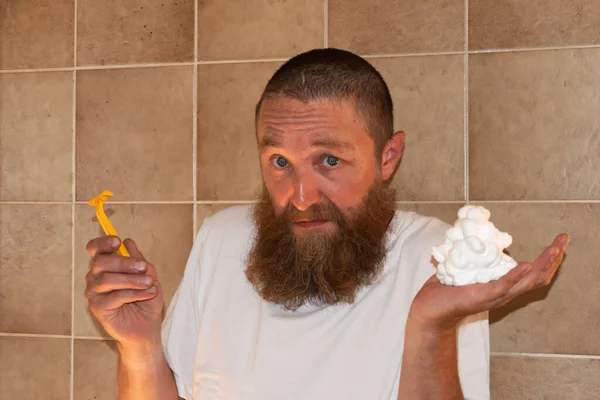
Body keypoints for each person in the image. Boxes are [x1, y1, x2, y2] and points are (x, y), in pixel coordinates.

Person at [84, 48, 569, 400]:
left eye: (330, 160)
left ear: (388, 156)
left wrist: (430, 329)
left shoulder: (441, 259)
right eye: (279, 162)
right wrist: (140, 347)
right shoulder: (222, 240)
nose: (301, 196)